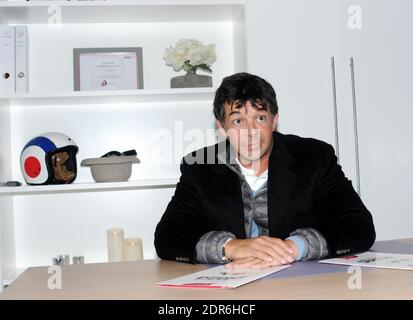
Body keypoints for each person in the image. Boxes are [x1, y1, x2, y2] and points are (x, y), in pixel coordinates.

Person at [154, 72, 375, 269]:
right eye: (238, 121)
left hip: (302, 284)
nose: (251, 132)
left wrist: (295, 247)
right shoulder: (198, 166)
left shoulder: (314, 157)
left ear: (274, 121)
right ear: (222, 128)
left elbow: (358, 225)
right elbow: (168, 236)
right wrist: (229, 247)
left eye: (260, 118)